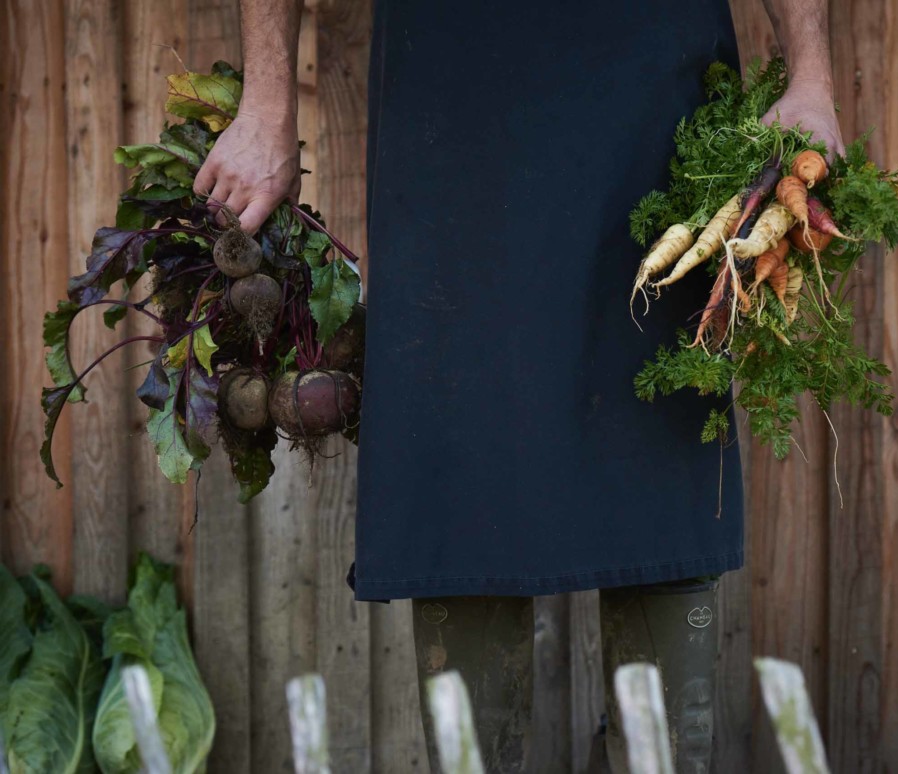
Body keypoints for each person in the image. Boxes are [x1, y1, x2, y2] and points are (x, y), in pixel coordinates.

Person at [194, 1, 843, 770]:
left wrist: (811, 73)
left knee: (659, 455)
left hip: (657, 94)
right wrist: (268, 101)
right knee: (467, 468)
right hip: (454, 99)